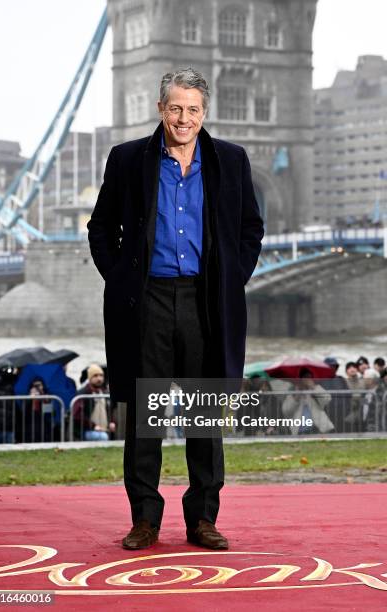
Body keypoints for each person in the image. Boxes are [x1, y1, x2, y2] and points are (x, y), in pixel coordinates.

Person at [87, 67, 264, 550]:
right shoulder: (127, 160)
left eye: (192, 110)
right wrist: (121, 277)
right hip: (147, 300)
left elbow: (251, 228)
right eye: (175, 109)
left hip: (206, 300)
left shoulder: (231, 159)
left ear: (203, 113)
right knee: (146, 416)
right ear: (161, 109)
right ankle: (144, 519)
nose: (183, 118)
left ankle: (203, 519)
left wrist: (233, 278)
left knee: (204, 416)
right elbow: (100, 227)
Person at [282, 368, 334, 435]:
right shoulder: (292, 392)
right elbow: (286, 411)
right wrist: (296, 396)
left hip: (318, 429)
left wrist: (313, 387)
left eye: (307, 377)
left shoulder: (316, 388)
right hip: (299, 431)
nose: (304, 380)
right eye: (302, 378)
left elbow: (327, 399)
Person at [72, 364, 115, 441]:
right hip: (87, 431)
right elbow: (77, 415)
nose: (99, 378)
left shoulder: (105, 392)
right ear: (89, 378)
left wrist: (112, 422)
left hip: (104, 429)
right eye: (95, 376)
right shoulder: (83, 393)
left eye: (101, 375)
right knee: (103, 437)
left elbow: (110, 411)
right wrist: (93, 426)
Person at [321, 357, 349, 433]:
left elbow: (348, 395)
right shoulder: (320, 380)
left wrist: (347, 409)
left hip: (341, 413)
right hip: (326, 413)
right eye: (330, 366)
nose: (332, 368)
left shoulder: (341, 379)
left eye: (334, 366)